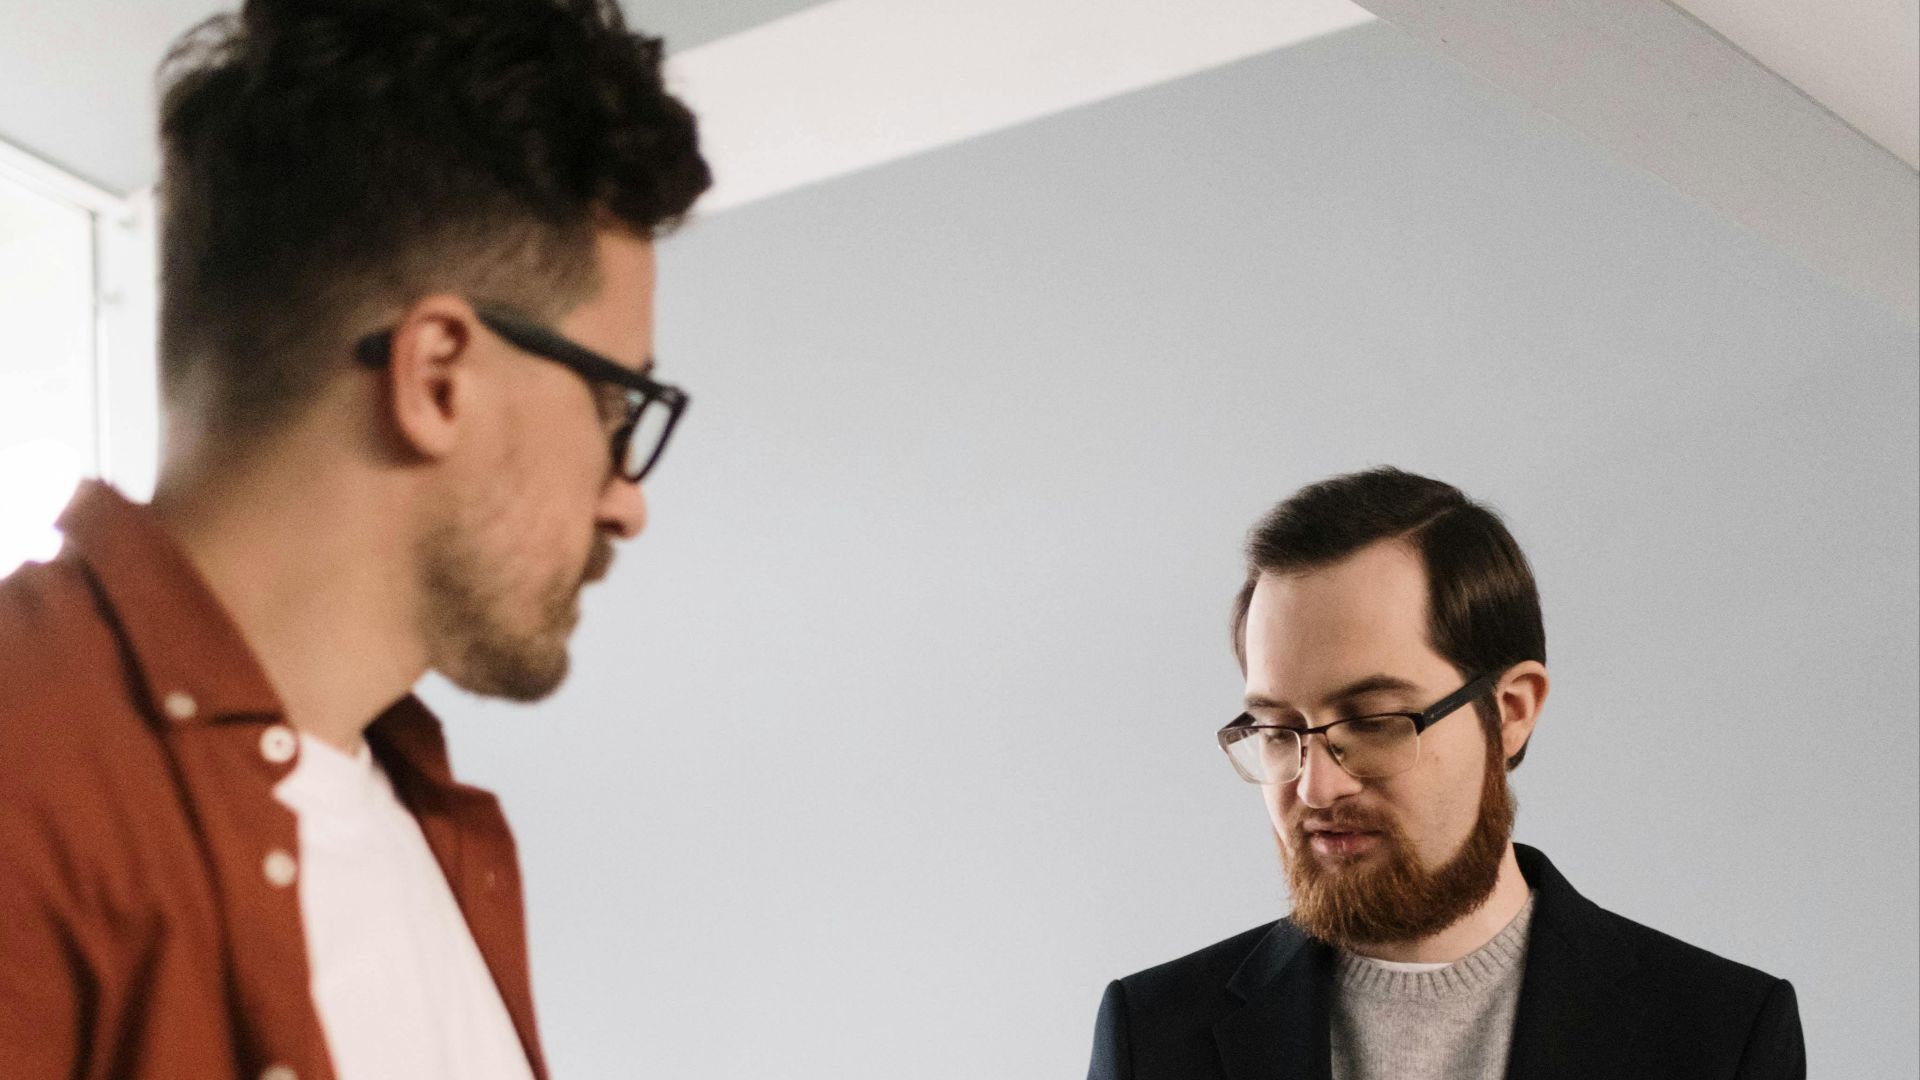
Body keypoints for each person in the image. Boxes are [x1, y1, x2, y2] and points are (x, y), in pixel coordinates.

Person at [0, 1, 708, 1077]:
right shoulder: (31, 790)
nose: (628, 503)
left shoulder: (424, 814)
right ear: (437, 378)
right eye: (616, 411)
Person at [1085, 467, 1805, 1080]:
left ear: (1513, 711)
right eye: (1279, 730)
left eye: (1371, 721)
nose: (1315, 788)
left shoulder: (1721, 1037)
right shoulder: (1151, 1038)